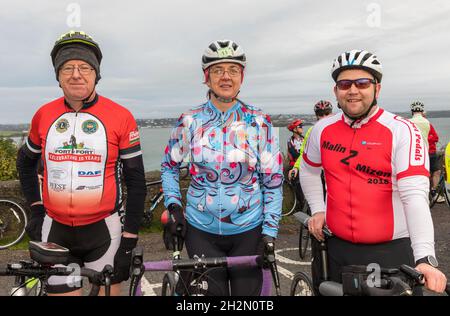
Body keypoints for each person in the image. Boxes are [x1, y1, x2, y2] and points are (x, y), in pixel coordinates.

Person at [300, 49, 447, 294]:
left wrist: (425, 258)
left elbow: (415, 197)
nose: (353, 90)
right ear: (336, 91)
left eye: (362, 83)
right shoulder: (322, 129)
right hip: (337, 249)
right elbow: (308, 170)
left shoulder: (402, 131)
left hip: (391, 252)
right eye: (345, 84)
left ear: (377, 89)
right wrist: (318, 209)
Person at [16, 31, 146, 296]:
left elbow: (136, 181)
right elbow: (25, 164)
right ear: (58, 76)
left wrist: (130, 238)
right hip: (55, 231)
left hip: (104, 232)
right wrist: (36, 209)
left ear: (96, 74)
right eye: (67, 67)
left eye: (84, 67)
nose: (76, 74)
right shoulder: (43, 115)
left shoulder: (120, 116)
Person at [160, 39, 283, 296]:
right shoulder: (189, 120)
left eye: (233, 70)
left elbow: (273, 180)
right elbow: (169, 166)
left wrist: (269, 232)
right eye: (217, 70)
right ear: (207, 78)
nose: (226, 76)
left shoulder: (260, 121)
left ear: (242, 77)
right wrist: (174, 207)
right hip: (200, 230)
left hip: (249, 230)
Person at [409, 101, 444, 203]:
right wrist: (428, 139)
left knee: (420, 174)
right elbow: (435, 137)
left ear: (412, 112)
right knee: (436, 172)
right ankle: (434, 192)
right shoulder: (427, 123)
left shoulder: (408, 122)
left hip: (413, 153)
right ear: (422, 112)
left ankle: (419, 196)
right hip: (429, 152)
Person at [286, 118, 305, 208]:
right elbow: (294, 154)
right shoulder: (290, 141)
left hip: (305, 165)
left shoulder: (305, 139)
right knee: (297, 183)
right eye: (300, 126)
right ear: (294, 129)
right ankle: (300, 204)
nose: (302, 128)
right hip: (294, 165)